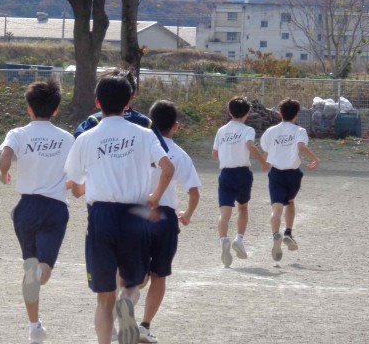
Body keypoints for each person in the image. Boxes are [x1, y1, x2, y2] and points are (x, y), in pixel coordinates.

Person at [65, 71, 174, 344]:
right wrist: (155, 195)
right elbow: (168, 168)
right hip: (135, 214)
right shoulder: (145, 133)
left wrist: (85, 187)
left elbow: (75, 186)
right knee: (135, 283)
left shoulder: (85, 137)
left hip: (101, 215)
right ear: (129, 102)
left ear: (97, 102)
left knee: (104, 297)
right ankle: (127, 302)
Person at [0, 78, 75, 344]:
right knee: (43, 271)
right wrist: (68, 186)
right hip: (54, 207)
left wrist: (4, 174)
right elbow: (75, 176)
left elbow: (6, 156)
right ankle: (38, 284)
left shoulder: (18, 133)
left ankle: (34, 327)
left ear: (29, 107)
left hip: (26, 207)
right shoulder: (67, 138)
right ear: (56, 109)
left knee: (30, 267)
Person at [137, 100, 201, 343]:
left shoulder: (140, 146)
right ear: (175, 126)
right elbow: (194, 193)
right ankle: (144, 326)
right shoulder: (180, 154)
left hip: (138, 212)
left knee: (136, 274)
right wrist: (187, 214)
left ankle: (134, 285)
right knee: (159, 274)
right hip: (165, 217)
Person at [212, 97, 269, 268]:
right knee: (242, 207)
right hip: (242, 173)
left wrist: (227, 155)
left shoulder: (221, 130)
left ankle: (223, 239)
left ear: (229, 112)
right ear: (247, 114)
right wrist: (263, 161)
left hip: (225, 174)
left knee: (224, 213)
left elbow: (214, 153)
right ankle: (239, 238)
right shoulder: (247, 130)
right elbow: (250, 146)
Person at [260, 98, 319, 262]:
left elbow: (266, 153)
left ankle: (275, 235)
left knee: (276, 208)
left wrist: (266, 163)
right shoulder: (299, 130)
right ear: (297, 114)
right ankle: (288, 232)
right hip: (293, 174)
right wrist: (315, 159)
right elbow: (301, 147)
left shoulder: (270, 131)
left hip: (276, 173)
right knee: (290, 202)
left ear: (280, 113)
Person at [73, 68, 168, 152]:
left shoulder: (94, 121)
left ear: (103, 94)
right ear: (133, 95)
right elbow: (162, 155)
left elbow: (77, 145)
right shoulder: (146, 124)